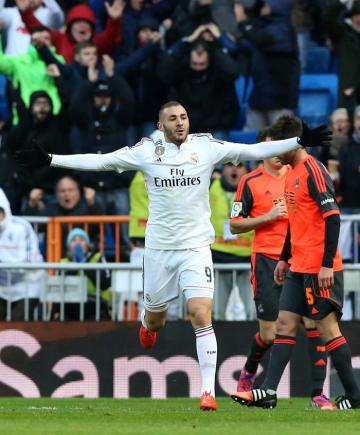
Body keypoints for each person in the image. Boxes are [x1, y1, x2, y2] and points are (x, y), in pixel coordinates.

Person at [14, 101, 331, 411]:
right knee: (157, 319)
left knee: (201, 313)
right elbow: (102, 161)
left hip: (195, 248)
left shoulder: (205, 147)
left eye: (183, 117)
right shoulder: (146, 152)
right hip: (159, 252)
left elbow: (252, 150)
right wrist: (52, 159)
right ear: (160, 126)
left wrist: (299, 142)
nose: (180, 123)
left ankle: (207, 393)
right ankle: (147, 323)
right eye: (173, 119)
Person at [230, 115, 360, 410]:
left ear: (293, 144)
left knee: (327, 331)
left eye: (279, 147)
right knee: (284, 324)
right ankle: (269, 391)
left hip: (318, 267)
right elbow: (295, 223)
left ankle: (354, 397)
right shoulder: (290, 173)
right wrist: (285, 258)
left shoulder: (314, 170)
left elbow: (333, 217)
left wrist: (327, 263)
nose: (274, 154)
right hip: (297, 266)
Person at [209, 162, 254, 320]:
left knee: (252, 313)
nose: (234, 169)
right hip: (219, 259)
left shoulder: (253, 189)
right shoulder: (210, 186)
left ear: (247, 170)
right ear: (223, 169)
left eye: (240, 165)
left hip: (246, 261)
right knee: (216, 313)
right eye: (229, 165)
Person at [0, 188, 44, 320]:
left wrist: (2, 265)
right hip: (1, 288)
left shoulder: (21, 227)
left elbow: (25, 264)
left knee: (16, 326)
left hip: (27, 286)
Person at [52, 228, 111, 321]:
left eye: (82, 240)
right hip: (69, 306)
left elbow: (105, 283)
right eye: (73, 240)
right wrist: (75, 266)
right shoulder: (63, 262)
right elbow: (56, 289)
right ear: (69, 246)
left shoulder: (98, 258)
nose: (77, 243)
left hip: (94, 305)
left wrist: (84, 264)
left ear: (87, 244)